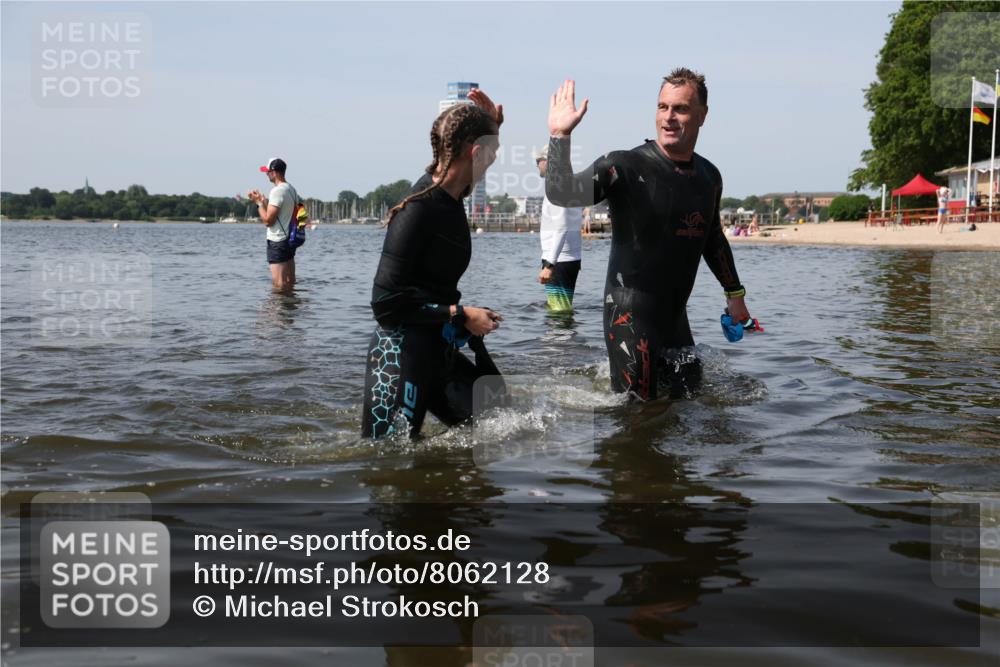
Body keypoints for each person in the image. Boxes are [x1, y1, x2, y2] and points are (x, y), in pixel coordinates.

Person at [545, 69, 752, 401]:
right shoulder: (624, 166)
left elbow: (711, 237)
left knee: (690, 401)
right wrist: (559, 135)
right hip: (629, 315)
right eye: (662, 107)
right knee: (637, 415)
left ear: (702, 115)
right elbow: (563, 193)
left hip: (674, 318)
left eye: (680, 108)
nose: (668, 117)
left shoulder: (708, 177)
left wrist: (735, 294)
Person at [361, 103, 505, 439]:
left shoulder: (453, 194)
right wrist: (460, 314)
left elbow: (466, 164)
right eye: (493, 153)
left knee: (501, 424)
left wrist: (491, 126)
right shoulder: (418, 209)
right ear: (475, 152)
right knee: (391, 470)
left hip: (436, 347)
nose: (495, 161)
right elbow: (384, 304)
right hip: (398, 355)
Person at [535, 145, 584, 313]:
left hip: (559, 259)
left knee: (559, 311)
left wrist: (549, 265)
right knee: (562, 309)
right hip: (568, 258)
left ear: (549, 162)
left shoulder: (557, 188)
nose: (537, 165)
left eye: (538, 161)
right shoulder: (572, 185)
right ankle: (565, 338)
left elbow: (562, 227)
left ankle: (560, 339)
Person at [248, 158, 300, 291]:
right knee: (290, 281)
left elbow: (268, 221)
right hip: (289, 240)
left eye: (268, 171)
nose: (266, 174)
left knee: (278, 283)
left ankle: (278, 311)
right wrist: (264, 201)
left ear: (275, 172)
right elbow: (281, 214)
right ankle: (290, 309)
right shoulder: (291, 189)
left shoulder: (277, 191)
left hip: (277, 241)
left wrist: (258, 204)